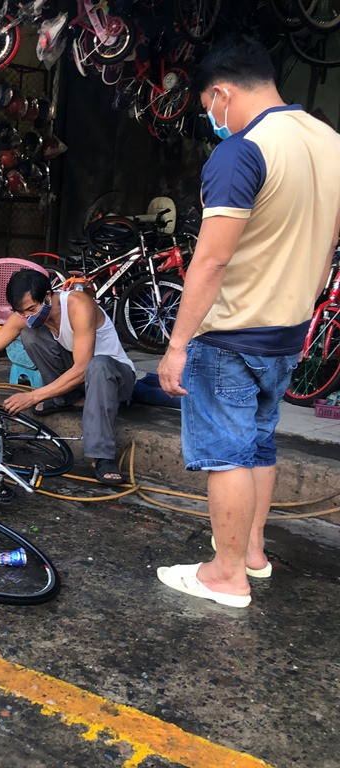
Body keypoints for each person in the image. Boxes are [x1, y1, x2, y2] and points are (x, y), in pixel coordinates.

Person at [156, 35, 340, 608]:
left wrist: (177, 345)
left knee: (227, 453)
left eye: (208, 107)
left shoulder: (242, 151)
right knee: (259, 443)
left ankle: (225, 574)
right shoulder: (330, 141)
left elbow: (211, 260)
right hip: (288, 331)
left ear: (223, 93)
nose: (213, 119)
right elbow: (329, 244)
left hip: (231, 333)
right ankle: (253, 553)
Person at [0, 268, 136, 484]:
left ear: (48, 296)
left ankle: (102, 456)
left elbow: (82, 368)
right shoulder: (25, 315)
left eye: (31, 309)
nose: (27, 316)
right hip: (82, 378)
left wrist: (33, 396)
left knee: (98, 364)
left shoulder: (79, 305)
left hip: (114, 379)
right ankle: (65, 398)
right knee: (30, 334)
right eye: (22, 312)